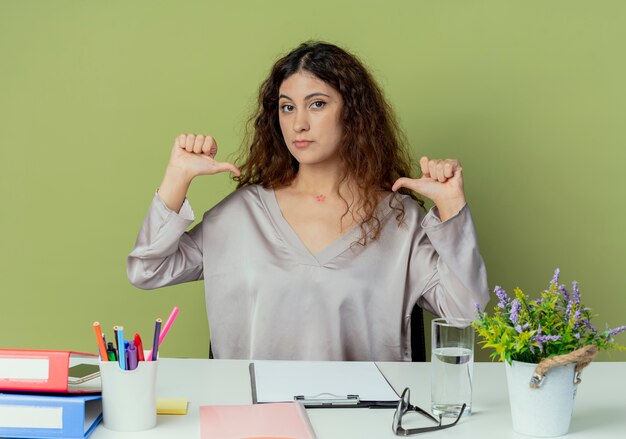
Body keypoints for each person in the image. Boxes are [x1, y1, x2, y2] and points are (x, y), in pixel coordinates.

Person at [127, 41, 489, 361]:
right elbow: (147, 270)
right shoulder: (239, 215)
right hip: (255, 424)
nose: (298, 123)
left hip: (365, 424)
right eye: (287, 107)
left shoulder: (400, 221)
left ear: (353, 114)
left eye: (317, 104)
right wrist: (177, 177)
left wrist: (451, 206)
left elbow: (467, 312)